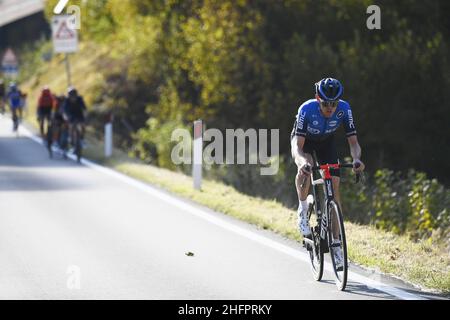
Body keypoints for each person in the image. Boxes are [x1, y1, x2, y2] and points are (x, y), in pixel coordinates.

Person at [290, 78, 365, 265]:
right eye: (326, 103)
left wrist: (356, 159)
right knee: (307, 165)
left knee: (335, 190)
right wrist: (301, 163)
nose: (330, 107)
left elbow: (354, 143)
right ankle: (303, 209)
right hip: (304, 142)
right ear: (318, 98)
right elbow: (297, 147)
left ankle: (336, 244)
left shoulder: (345, 109)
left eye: (334, 103)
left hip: (326, 143)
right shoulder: (306, 109)